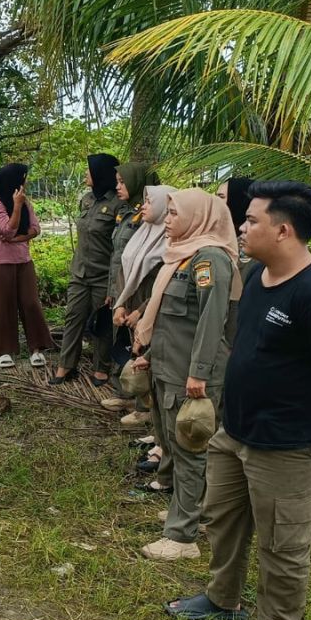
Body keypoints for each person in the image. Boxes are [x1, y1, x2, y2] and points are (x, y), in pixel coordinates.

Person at [165, 181, 311, 620]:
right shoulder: (258, 275)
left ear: (283, 230)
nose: (241, 226)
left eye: (252, 220)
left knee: (282, 545)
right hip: (236, 431)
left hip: (287, 445)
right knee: (224, 521)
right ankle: (223, 598)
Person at [131, 188, 241, 561]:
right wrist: (149, 355)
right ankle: (192, 511)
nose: (168, 219)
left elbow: (211, 322)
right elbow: (173, 321)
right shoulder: (183, 256)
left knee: (191, 450)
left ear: (197, 217)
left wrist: (199, 373)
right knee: (179, 449)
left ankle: (182, 537)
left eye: (175, 213)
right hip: (171, 368)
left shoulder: (210, 259)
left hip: (191, 377)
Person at [112, 184, 177, 480]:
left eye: (151, 202)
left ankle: (163, 443)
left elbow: (163, 287)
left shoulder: (174, 241)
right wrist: (121, 304)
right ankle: (157, 432)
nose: (145, 206)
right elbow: (124, 268)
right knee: (144, 370)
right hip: (133, 308)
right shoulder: (143, 231)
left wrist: (140, 311)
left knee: (156, 375)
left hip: (153, 313)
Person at [51, 153, 123, 386]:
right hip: (80, 273)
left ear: (101, 173)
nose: (85, 173)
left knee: (102, 323)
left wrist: (114, 284)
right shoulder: (87, 199)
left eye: (89, 169)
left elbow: (119, 247)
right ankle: (66, 365)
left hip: (103, 275)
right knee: (73, 317)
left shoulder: (118, 204)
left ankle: (101, 368)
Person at [100, 161, 156, 417]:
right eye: (117, 182)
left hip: (140, 291)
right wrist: (113, 290)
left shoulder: (151, 215)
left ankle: (142, 403)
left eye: (123, 182)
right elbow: (118, 257)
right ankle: (123, 393)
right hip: (121, 288)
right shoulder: (125, 212)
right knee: (121, 340)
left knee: (139, 344)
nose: (118, 187)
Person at [0, 163, 50, 369]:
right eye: (24, 179)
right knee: (2, 305)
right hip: (0, 262)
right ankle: (5, 350)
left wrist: (16, 239)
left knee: (31, 303)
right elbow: (7, 230)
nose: (25, 183)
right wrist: (16, 206)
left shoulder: (25, 202)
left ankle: (36, 348)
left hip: (23, 260)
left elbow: (35, 229)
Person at [218, 177, 254, 275]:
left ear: (237, 199)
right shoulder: (216, 235)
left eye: (221, 197)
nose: (215, 202)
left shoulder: (253, 240)